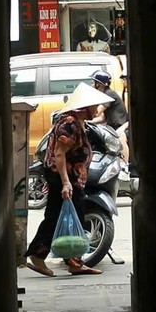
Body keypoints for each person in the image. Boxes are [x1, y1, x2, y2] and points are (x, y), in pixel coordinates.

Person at [22, 81, 113, 277]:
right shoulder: (69, 124)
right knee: (62, 214)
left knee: (59, 215)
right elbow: (59, 154)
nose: (98, 109)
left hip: (68, 176)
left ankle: (70, 260)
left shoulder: (78, 122)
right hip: (64, 176)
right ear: (85, 106)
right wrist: (64, 183)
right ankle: (51, 258)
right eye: (94, 105)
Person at [90, 67, 131, 178]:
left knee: (118, 136)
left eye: (94, 83)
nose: (92, 85)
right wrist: (88, 121)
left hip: (121, 126)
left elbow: (98, 111)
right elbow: (102, 118)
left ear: (100, 84)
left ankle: (124, 167)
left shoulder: (109, 94)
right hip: (112, 126)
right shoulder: (105, 95)